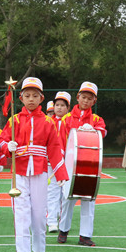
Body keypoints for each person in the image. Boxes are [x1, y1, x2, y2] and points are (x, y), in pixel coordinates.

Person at [0, 77, 69, 252]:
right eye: (27, 95)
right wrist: (8, 146)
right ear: (21, 98)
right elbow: (2, 140)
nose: (31, 99)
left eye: (35, 96)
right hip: (19, 172)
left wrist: (60, 173)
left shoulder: (48, 122)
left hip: (39, 172)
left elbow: (54, 148)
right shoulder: (14, 120)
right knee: (21, 214)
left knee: (38, 214)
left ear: (41, 98)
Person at [58, 82, 106, 247]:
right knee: (67, 199)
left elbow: (102, 133)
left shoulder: (97, 119)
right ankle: (63, 230)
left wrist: (94, 130)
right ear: (77, 97)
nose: (86, 101)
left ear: (94, 101)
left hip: (90, 165)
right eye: (83, 97)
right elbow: (60, 141)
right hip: (70, 165)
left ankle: (85, 235)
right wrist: (62, 163)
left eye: (89, 98)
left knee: (88, 200)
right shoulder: (66, 119)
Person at [46, 91, 70, 233]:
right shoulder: (48, 122)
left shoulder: (71, 121)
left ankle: (63, 221)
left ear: (68, 107)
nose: (59, 108)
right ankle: (51, 221)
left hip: (68, 163)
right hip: (52, 162)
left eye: (62, 105)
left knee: (66, 193)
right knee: (52, 192)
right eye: (57, 105)